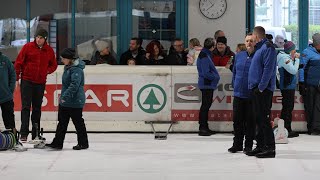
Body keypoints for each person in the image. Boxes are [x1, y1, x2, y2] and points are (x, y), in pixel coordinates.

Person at [14, 28, 57, 142]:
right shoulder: (28, 47)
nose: (38, 40)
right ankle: (24, 133)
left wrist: (47, 71)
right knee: (25, 107)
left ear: (45, 39)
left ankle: (35, 134)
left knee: (37, 108)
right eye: (37, 37)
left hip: (40, 82)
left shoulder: (49, 51)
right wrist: (16, 78)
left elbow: (54, 65)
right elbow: (18, 62)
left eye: (41, 38)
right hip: (27, 81)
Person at [46, 48, 89, 150]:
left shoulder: (76, 69)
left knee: (78, 123)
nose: (62, 60)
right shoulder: (68, 67)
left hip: (75, 101)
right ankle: (57, 143)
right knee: (62, 123)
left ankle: (83, 143)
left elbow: (75, 85)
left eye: (63, 58)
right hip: (66, 101)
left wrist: (65, 96)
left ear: (70, 59)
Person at [247, 26, 277, 158]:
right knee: (258, 119)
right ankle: (260, 145)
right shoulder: (259, 48)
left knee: (264, 120)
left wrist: (261, 87)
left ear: (256, 35)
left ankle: (270, 148)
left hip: (263, 90)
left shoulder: (268, 47)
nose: (251, 38)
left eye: (252, 36)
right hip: (257, 89)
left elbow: (268, 69)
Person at [228, 33, 256, 154]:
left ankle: (248, 145)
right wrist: (234, 85)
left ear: (255, 42)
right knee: (237, 121)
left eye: (251, 41)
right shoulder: (239, 56)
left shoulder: (258, 56)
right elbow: (234, 72)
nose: (249, 43)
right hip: (238, 94)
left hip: (251, 95)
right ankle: (237, 144)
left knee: (250, 122)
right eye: (247, 41)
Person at [0, 52, 26, 151]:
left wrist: (10, 90)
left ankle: (14, 140)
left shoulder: (5, 60)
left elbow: (13, 75)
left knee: (9, 120)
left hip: (6, 97)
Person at [196, 38, 220, 136]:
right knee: (205, 106)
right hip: (207, 84)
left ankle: (204, 127)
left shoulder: (205, 54)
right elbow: (206, 72)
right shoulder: (205, 56)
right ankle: (202, 127)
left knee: (206, 106)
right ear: (213, 46)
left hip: (207, 84)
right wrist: (215, 77)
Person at [276, 41, 300, 138]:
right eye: (294, 50)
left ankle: (285, 128)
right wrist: (297, 60)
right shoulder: (284, 58)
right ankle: (286, 129)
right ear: (290, 50)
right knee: (287, 108)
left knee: (287, 108)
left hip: (288, 86)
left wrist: (293, 58)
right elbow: (293, 70)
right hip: (287, 86)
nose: (295, 51)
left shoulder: (285, 57)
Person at [299, 33, 320, 135]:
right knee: (310, 106)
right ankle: (311, 128)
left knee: (318, 106)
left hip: (319, 84)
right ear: (316, 44)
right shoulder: (306, 52)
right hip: (310, 84)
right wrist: (302, 82)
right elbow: (301, 68)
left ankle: (317, 128)